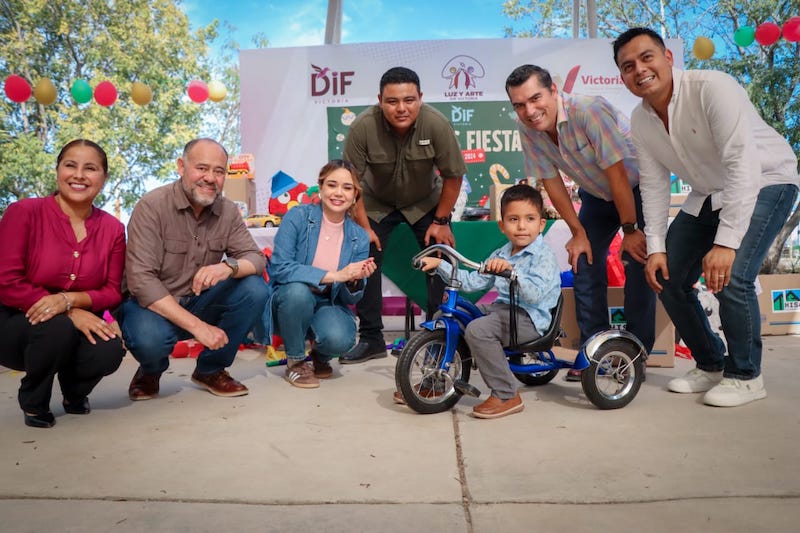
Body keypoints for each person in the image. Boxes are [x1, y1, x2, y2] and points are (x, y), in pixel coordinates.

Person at [613, 28, 800, 407]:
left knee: (733, 277)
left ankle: (746, 375)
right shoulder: (641, 118)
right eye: (628, 66)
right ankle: (711, 363)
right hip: (708, 194)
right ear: (622, 76)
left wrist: (726, 242)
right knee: (667, 277)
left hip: (767, 179)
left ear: (668, 57)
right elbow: (653, 185)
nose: (640, 70)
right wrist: (657, 248)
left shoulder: (713, 86)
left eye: (647, 57)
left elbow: (741, 164)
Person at [505, 64, 656, 381]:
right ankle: (594, 353)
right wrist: (578, 233)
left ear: (554, 91)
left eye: (535, 99)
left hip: (638, 188)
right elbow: (551, 180)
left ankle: (634, 355)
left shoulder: (588, 109)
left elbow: (617, 174)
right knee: (583, 261)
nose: (530, 111)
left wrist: (630, 230)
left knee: (638, 261)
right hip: (597, 195)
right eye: (519, 104)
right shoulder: (527, 128)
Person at [121, 138, 269, 400]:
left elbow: (256, 259)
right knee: (149, 339)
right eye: (202, 168)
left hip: (199, 300)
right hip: (154, 306)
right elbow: (141, 281)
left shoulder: (228, 211)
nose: (210, 178)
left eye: (219, 171)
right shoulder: (152, 206)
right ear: (181, 166)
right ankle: (150, 369)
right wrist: (198, 327)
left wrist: (228, 267)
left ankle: (211, 370)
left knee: (255, 289)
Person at [396, 184, 561, 419]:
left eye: (530, 218)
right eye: (514, 219)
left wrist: (512, 272)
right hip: (502, 311)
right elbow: (472, 282)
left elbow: (535, 295)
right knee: (446, 317)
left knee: (478, 330)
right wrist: (440, 264)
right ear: (502, 226)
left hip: (530, 318)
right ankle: (436, 382)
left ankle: (507, 394)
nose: (522, 226)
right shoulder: (501, 253)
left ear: (541, 224)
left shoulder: (543, 255)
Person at [339, 66, 467, 364]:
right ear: (380, 100)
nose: (401, 108)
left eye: (409, 100)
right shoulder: (362, 127)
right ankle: (371, 338)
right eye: (392, 101)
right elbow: (352, 182)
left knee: (442, 256)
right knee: (364, 254)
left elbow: (454, 176)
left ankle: (439, 336)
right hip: (375, 202)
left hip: (425, 202)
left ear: (420, 98)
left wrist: (441, 221)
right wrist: (363, 227)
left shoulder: (436, 124)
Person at [0, 139, 126, 428]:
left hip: (74, 320)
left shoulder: (113, 229)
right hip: (15, 322)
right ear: (57, 171)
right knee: (56, 325)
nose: (79, 175)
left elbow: (111, 291)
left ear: (103, 179)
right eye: (70, 165)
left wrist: (71, 301)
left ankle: (74, 392)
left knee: (110, 347)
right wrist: (68, 311)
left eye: (90, 168)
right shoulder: (23, 212)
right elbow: (6, 282)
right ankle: (34, 400)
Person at [263, 160, 377, 388]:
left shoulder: (360, 237)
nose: (338, 193)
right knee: (298, 292)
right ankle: (295, 363)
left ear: (355, 195)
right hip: (289, 299)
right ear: (321, 187)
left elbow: (349, 299)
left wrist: (355, 281)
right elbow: (280, 267)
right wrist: (336, 275)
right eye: (332, 185)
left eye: (347, 188)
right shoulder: (297, 217)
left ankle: (319, 357)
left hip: (327, 301)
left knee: (341, 338)